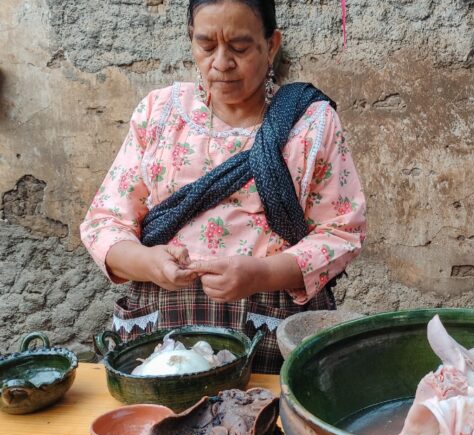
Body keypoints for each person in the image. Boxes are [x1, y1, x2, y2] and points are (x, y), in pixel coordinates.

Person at [80, 0, 366, 374]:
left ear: (272, 44)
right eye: (206, 45)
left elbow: (342, 232)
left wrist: (260, 275)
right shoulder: (159, 112)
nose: (221, 63)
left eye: (240, 47)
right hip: (162, 321)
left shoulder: (309, 124)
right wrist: (148, 263)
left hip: (270, 321)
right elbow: (104, 222)